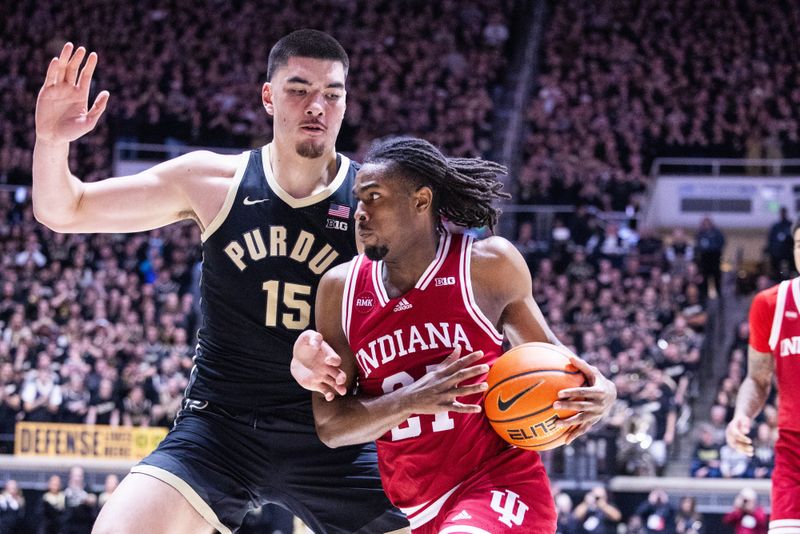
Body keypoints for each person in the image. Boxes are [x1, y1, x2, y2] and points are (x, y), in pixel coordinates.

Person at [33, 31, 407, 534]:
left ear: (345, 102)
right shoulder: (213, 181)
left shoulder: (374, 206)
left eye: (332, 94)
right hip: (220, 428)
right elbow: (65, 209)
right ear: (268, 97)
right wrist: (52, 142)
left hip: (336, 436)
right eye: (298, 89)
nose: (317, 105)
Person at [292, 137, 616, 532]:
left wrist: (602, 390)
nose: (361, 212)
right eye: (360, 200)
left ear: (421, 201)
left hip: (498, 483)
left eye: (375, 198)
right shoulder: (339, 290)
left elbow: (552, 361)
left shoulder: (486, 266)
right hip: (413, 508)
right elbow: (331, 426)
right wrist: (411, 399)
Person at [726, 218, 800, 533]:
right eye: (799, 244)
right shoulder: (770, 303)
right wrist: (742, 414)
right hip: (793, 452)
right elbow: (757, 379)